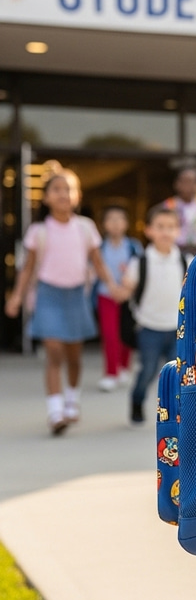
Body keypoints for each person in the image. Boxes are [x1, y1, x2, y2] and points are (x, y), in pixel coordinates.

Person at [5, 168, 123, 434]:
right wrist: (16, 297)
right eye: (57, 189)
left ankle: (72, 400)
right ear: (45, 198)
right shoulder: (38, 231)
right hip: (48, 295)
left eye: (68, 189)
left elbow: (98, 262)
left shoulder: (85, 227)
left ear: (77, 196)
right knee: (54, 351)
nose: (63, 194)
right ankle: (55, 410)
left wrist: (112, 286)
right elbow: (27, 268)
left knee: (74, 355)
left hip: (75, 295)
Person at [121, 204, 187, 424]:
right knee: (148, 370)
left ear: (178, 231)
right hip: (149, 327)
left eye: (171, 227)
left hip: (178, 328)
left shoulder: (186, 261)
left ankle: (172, 415)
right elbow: (126, 290)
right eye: (160, 227)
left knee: (175, 376)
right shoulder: (140, 261)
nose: (165, 232)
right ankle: (137, 400)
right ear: (148, 230)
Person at [95, 205, 143, 392]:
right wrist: (112, 287)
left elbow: (139, 269)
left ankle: (124, 366)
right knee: (109, 334)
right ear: (104, 224)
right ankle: (111, 373)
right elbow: (95, 268)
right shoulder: (99, 247)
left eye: (119, 219)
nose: (115, 224)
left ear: (126, 223)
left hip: (127, 295)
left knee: (126, 332)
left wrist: (127, 290)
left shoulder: (133, 246)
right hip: (106, 294)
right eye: (110, 219)